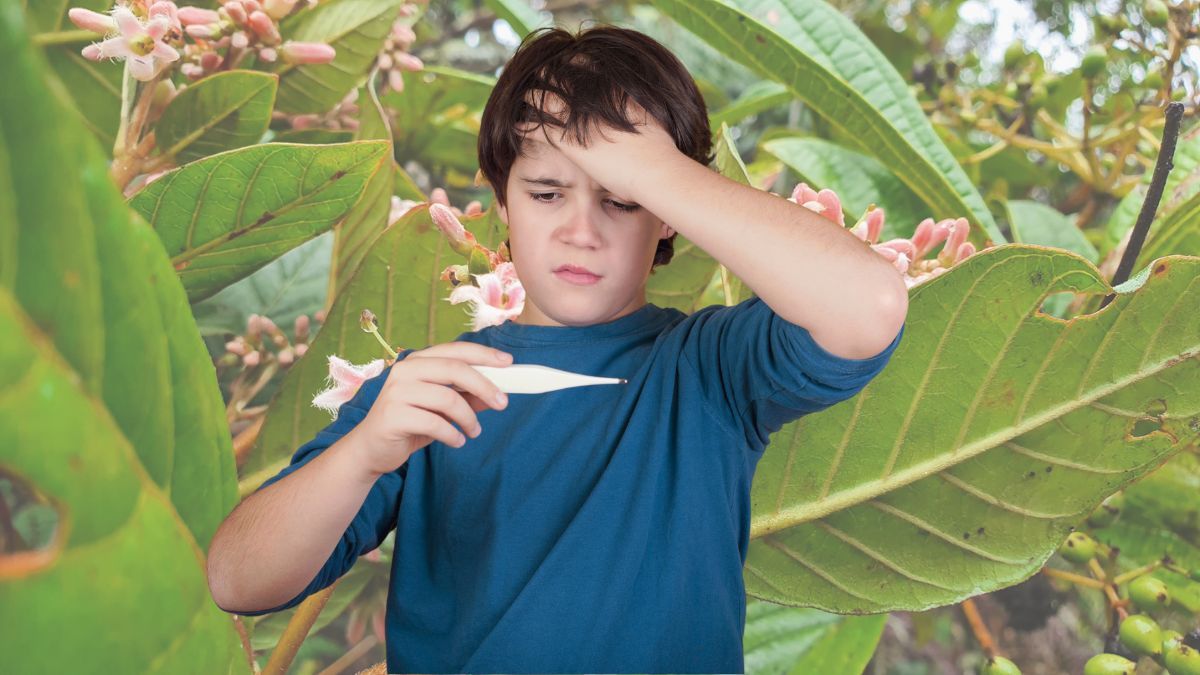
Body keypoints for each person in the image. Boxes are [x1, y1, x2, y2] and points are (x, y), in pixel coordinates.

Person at [206, 22, 908, 674]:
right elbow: (237, 579)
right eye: (546, 192)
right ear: (502, 202)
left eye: (622, 199)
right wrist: (362, 452)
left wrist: (657, 171)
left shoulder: (708, 370)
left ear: (668, 218)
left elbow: (869, 305)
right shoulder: (421, 394)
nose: (581, 230)